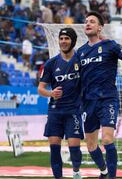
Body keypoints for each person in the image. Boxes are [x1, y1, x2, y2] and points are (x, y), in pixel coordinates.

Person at [77, 11, 122, 179]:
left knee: (107, 139)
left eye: (92, 21)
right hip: (87, 102)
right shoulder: (81, 52)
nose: (88, 23)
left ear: (100, 27)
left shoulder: (111, 45)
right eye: (86, 21)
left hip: (107, 99)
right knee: (91, 145)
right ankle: (104, 171)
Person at [38, 28, 83, 179]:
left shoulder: (80, 61)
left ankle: (76, 171)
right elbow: (41, 89)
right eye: (61, 38)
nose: (63, 41)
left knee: (74, 149)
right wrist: (51, 93)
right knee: (54, 149)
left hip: (74, 111)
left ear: (73, 41)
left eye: (67, 38)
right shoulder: (51, 63)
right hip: (55, 112)